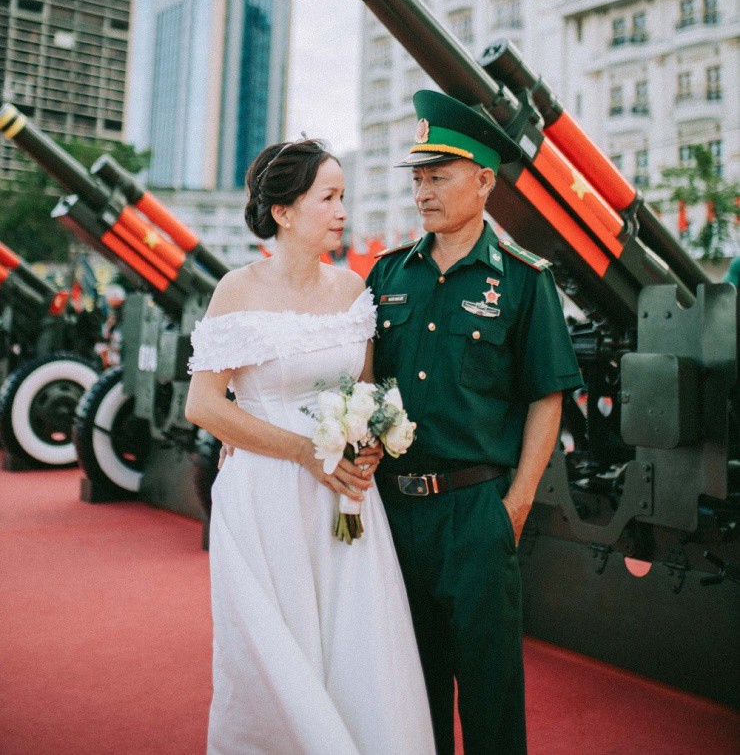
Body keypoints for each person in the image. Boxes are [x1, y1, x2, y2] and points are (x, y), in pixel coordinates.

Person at [185, 139, 435, 755]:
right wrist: (302, 451)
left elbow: (367, 390)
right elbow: (205, 406)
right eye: (328, 197)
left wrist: (372, 441)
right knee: (275, 651)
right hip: (266, 496)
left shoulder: (352, 288)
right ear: (284, 212)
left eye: (343, 196)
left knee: (357, 643)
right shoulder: (236, 291)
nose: (342, 211)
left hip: (346, 497)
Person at [367, 90, 583, 755]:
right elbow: (360, 382)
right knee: (410, 692)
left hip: (476, 511)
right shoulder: (386, 275)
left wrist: (516, 504)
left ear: (485, 181)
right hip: (394, 513)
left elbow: (547, 396)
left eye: (439, 178)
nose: (423, 194)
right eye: (418, 179)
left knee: (490, 692)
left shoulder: (523, 280)